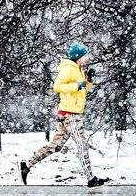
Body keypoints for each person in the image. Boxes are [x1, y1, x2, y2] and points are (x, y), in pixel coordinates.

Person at [20, 42, 109, 187]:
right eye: (85, 56)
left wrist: (89, 81)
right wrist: (76, 85)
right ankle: (91, 179)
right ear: (78, 57)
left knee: (55, 146)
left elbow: (83, 91)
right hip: (71, 115)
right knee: (82, 145)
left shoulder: (79, 69)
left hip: (70, 113)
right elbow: (57, 87)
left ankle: (27, 165)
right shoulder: (68, 69)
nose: (87, 58)